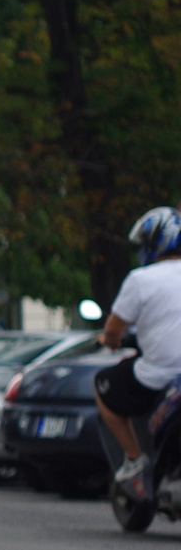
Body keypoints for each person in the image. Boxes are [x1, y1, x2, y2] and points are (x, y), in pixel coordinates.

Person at [94, 206, 181, 498]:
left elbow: (113, 329)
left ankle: (134, 459)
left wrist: (109, 340)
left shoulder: (141, 279)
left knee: (104, 383)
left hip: (161, 375)